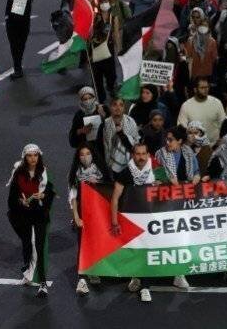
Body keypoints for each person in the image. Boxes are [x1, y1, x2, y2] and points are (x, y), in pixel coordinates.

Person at [110, 142, 183, 297]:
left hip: (156, 220)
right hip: (134, 220)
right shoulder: (126, 173)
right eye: (138, 154)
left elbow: (173, 187)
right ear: (132, 155)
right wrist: (114, 221)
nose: (141, 157)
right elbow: (115, 198)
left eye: (144, 154)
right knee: (138, 252)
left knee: (160, 248)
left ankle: (177, 275)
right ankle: (141, 282)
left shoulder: (157, 169)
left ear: (148, 155)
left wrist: (161, 184)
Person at [6, 144, 55, 297]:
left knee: (38, 245)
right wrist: (21, 202)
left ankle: (43, 283)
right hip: (24, 215)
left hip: (39, 214)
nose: (33, 158)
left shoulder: (44, 172)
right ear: (25, 157)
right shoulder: (19, 174)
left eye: (35, 155)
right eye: (30, 155)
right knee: (27, 242)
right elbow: (12, 198)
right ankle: (28, 266)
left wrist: (44, 196)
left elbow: (50, 193)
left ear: (39, 157)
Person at [68, 144, 104, 295]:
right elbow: (73, 197)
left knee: (96, 243)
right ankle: (81, 279)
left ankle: (93, 270)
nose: (85, 157)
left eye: (88, 153)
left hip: (99, 213)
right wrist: (76, 217)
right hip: (83, 212)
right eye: (82, 154)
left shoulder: (101, 172)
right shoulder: (74, 174)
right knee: (83, 244)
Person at [177, 77, 226, 146]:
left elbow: (223, 124)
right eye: (202, 88)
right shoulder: (186, 105)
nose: (206, 90)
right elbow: (181, 127)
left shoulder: (217, 103)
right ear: (195, 89)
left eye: (207, 87)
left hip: (214, 145)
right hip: (194, 146)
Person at [90, 0, 117, 103]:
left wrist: (119, 49)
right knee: (97, 76)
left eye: (106, 2)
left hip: (108, 48)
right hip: (96, 49)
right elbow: (90, 33)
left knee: (111, 74)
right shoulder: (94, 17)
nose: (104, 4)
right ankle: (101, 98)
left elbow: (115, 35)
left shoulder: (113, 18)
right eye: (102, 2)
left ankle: (111, 87)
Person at [103, 98, 140, 179]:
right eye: (114, 104)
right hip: (110, 163)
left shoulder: (131, 122)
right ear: (110, 107)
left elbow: (135, 143)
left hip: (129, 164)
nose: (118, 108)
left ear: (124, 108)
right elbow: (102, 145)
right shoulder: (105, 124)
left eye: (121, 105)